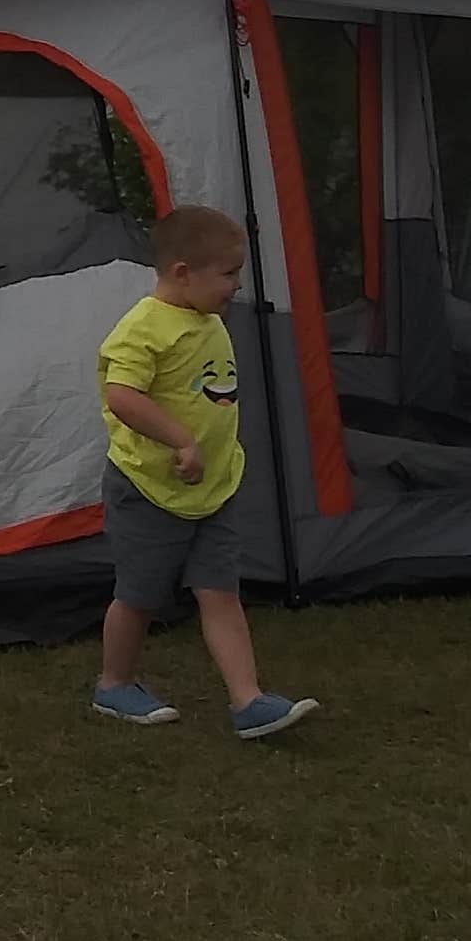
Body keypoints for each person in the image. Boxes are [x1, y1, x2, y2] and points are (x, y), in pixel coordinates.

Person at [87, 203, 317, 739]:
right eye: (229, 274)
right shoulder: (144, 326)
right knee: (139, 594)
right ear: (183, 273)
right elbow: (121, 395)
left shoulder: (206, 318)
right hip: (148, 489)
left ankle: (249, 700)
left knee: (220, 591)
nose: (236, 286)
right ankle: (113, 685)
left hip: (212, 491)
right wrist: (180, 439)